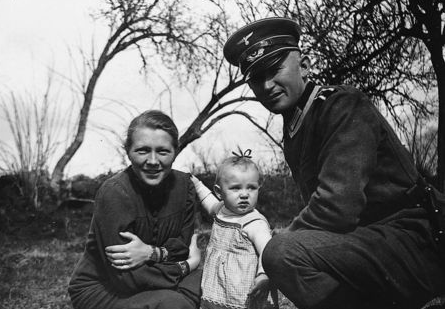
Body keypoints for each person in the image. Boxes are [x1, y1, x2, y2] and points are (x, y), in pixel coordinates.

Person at [222, 17, 445, 309]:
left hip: (417, 240)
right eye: (255, 78)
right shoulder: (296, 124)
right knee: (282, 253)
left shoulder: (341, 104)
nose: (266, 85)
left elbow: (336, 208)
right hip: (371, 244)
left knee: (280, 252)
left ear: (304, 66)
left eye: (274, 69)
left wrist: (275, 255)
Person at [68, 110, 202, 309]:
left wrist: (152, 253)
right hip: (106, 288)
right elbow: (126, 278)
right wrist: (186, 266)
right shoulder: (114, 193)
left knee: (209, 284)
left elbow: (182, 247)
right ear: (128, 151)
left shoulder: (185, 186)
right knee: (174, 303)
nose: (153, 161)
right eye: (143, 150)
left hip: (157, 277)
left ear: (175, 150)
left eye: (163, 151)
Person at [190, 150, 277, 309]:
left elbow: (268, 250)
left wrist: (263, 275)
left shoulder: (254, 223)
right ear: (219, 192)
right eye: (236, 188)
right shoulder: (221, 210)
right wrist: (196, 184)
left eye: (251, 188)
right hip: (219, 288)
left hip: (244, 291)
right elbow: (208, 201)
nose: (244, 194)